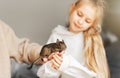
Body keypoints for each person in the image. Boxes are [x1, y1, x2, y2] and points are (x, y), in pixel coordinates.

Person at [37, 0, 110, 78]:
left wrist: (66, 64)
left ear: (92, 24)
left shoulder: (89, 42)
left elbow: (94, 76)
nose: (80, 22)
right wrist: (52, 67)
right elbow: (44, 73)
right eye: (79, 14)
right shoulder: (57, 34)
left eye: (87, 21)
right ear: (72, 8)